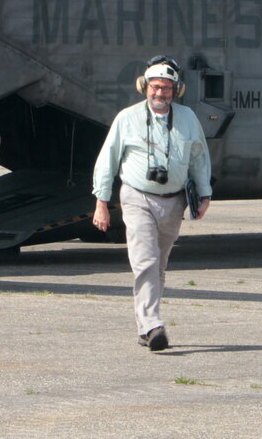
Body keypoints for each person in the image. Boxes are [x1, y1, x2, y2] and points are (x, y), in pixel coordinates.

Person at [91, 56, 212, 351]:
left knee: (159, 263)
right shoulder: (127, 118)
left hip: (174, 202)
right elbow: (107, 160)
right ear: (144, 86)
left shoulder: (187, 119)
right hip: (137, 196)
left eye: (167, 88)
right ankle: (152, 324)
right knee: (145, 260)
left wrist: (205, 193)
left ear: (176, 90)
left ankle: (146, 326)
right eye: (155, 87)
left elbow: (199, 157)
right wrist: (101, 201)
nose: (160, 93)